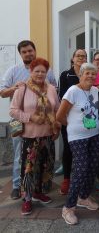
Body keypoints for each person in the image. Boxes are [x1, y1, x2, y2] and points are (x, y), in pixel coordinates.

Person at [0, 40, 56, 200]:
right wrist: (15, 88)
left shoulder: (48, 70)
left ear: (35, 50)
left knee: (43, 155)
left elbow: (53, 89)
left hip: (42, 121)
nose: (28, 54)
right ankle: (17, 186)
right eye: (24, 52)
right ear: (20, 54)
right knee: (21, 154)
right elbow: (2, 92)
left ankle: (40, 186)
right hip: (20, 119)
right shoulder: (13, 71)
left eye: (30, 50)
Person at [9, 58, 60, 215]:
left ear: (47, 73)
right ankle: (27, 199)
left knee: (45, 166)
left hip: (48, 135)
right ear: (30, 72)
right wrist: (30, 117)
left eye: (43, 71)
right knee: (29, 169)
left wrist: (57, 126)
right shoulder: (22, 88)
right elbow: (13, 110)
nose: (39, 74)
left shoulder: (51, 88)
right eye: (36, 71)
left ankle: (38, 192)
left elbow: (57, 108)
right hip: (30, 136)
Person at [56, 63, 99, 225]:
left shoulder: (96, 90)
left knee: (92, 166)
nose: (90, 76)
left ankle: (83, 197)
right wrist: (73, 127)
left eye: (93, 74)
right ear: (81, 75)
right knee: (81, 168)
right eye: (87, 73)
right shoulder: (72, 91)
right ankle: (68, 207)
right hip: (77, 138)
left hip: (94, 135)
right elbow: (60, 116)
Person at [58, 49, 87, 195]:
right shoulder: (65, 75)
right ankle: (67, 179)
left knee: (85, 151)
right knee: (69, 149)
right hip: (69, 120)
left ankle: (86, 178)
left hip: (86, 120)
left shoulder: (88, 74)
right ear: (73, 58)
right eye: (78, 56)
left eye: (83, 56)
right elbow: (61, 97)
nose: (81, 58)